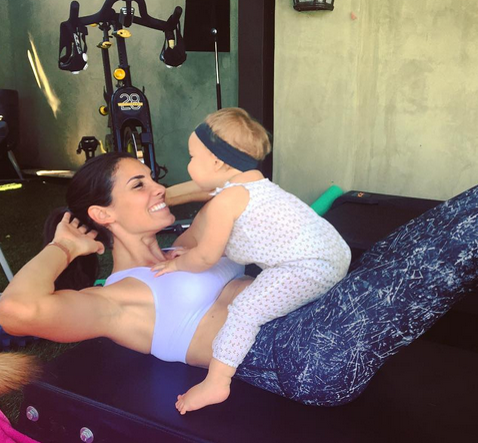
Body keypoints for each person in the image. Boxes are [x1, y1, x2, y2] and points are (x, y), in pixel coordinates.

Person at [0, 152, 478, 442]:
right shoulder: (118, 299)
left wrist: (163, 197)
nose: (159, 187)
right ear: (102, 214)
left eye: (154, 176)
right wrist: (65, 246)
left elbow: (225, 187)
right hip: (298, 351)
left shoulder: (188, 245)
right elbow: (16, 311)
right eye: (139, 183)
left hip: (321, 309)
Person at [150, 108, 351, 413]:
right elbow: (206, 194)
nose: (188, 165)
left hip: (308, 268)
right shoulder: (256, 185)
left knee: (245, 310)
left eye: (192, 157)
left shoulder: (225, 201)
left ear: (217, 162)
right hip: (335, 252)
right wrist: (164, 200)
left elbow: (206, 257)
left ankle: (217, 382)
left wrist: (176, 264)